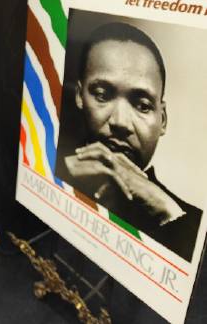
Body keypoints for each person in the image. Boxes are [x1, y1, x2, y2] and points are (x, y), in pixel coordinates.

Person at [56, 22, 202, 262]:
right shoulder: (45, 167)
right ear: (79, 97)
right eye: (102, 95)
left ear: (162, 120)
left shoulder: (190, 222)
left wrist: (167, 210)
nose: (121, 122)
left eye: (142, 106)